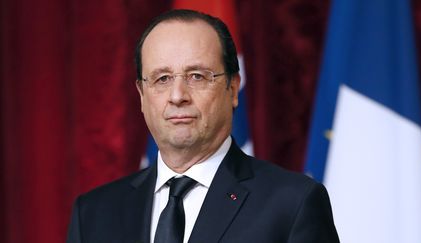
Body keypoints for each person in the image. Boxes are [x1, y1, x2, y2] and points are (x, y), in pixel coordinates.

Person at [66, 9, 339, 243]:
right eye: (161, 79)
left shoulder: (293, 204)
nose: (177, 96)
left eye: (197, 76)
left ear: (233, 88)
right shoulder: (93, 214)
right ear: (141, 95)